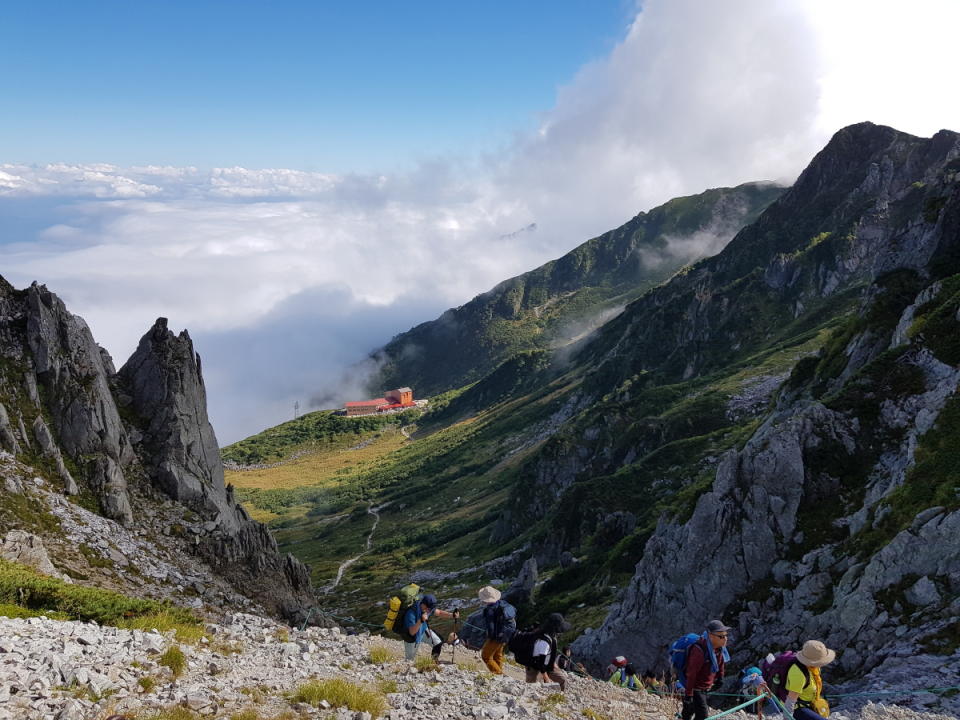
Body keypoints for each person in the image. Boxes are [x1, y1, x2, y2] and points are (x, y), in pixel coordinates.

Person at [682, 620, 731, 720]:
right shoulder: (699, 650)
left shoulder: (719, 649)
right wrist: (688, 695)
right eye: (721, 636)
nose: (725, 639)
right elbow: (691, 674)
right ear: (711, 636)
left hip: (706, 687)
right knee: (703, 715)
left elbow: (720, 663)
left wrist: (720, 677)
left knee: (692, 710)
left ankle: (685, 715)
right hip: (696, 688)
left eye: (726, 635)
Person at [784, 640, 835, 720]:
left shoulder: (814, 668)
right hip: (798, 708)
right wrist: (788, 718)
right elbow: (790, 701)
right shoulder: (798, 673)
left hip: (810, 704)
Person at [401, 593, 459, 662]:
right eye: (428, 609)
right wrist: (421, 621)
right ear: (423, 604)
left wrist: (452, 615)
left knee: (437, 642)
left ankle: (434, 661)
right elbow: (412, 632)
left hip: (423, 630)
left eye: (430, 609)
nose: (429, 611)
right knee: (409, 660)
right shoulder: (411, 613)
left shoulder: (428, 608)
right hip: (412, 638)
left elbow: (439, 612)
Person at [521, 613, 570, 690]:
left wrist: (554, 665)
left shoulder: (552, 636)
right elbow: (540, 663)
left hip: (547, 665)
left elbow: (550, 654)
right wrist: (546, 678)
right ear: (555, 628)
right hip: (534, 666)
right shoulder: (544, 641)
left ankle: (560, 697)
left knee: (562, 680)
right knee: (533, 688)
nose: (560, 631)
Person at [478, 585, 516, 674]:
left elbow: (491, 626)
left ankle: (499, 674)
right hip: (507, 633)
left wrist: (490, 637)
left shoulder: (490, 610)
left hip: (497, 635)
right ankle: (499, 671)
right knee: (497, 654)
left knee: (486, 656)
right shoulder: (502, 604)